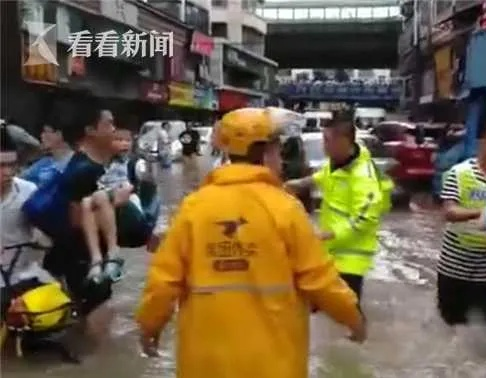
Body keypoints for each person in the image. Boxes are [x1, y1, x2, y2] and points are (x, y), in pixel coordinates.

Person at [136, 107, 366, 378]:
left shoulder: (194, 208)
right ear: (266, 153)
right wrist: (353, 318)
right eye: (277, 149)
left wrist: (149, 326)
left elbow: (164, 280)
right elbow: (320, 278)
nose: (280, 157)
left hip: (205, 363)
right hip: (274, 363)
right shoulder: (286, 209)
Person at [285, 110, 391, 302]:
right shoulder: (337, 163)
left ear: (343, 141)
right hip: (332, 252)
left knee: (347, 309)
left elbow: (365, 218)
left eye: (327, 141)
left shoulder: (363, 176)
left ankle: (359, 332)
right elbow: (326, 176)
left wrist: (328, 234)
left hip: (350, 258)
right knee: (326, 306)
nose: (324, 147)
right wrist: (301, 183)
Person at [48, 108, 121, 317]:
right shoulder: (81, 170)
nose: (113, 129)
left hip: (91, 256)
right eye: (108, 124)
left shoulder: (96, 166)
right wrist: (116, 202)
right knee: (91, 315)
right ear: (91, 130)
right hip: (80, 259)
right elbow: (76, 220)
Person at [437, 122, 486, 326]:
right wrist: (483, 213)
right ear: (483, 144)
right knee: (451, 328)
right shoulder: (458, 173)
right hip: (455, 267)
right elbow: (449, 211)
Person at [0, 126, 69, 327]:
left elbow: (52, 236)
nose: (8, 172)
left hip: (24, 277)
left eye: (12, 165)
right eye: (1, 165)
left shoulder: (29, 192)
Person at [80, 128, 143, 283]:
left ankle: (113, 253)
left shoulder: (135, 162)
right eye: (119, 140)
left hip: (129, 201)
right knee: (86, 202)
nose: (124, 144)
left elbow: (136, 186)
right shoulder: (101, 163)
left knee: (98, 197)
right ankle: (96, 258)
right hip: (104, 199)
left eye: (127, 140)